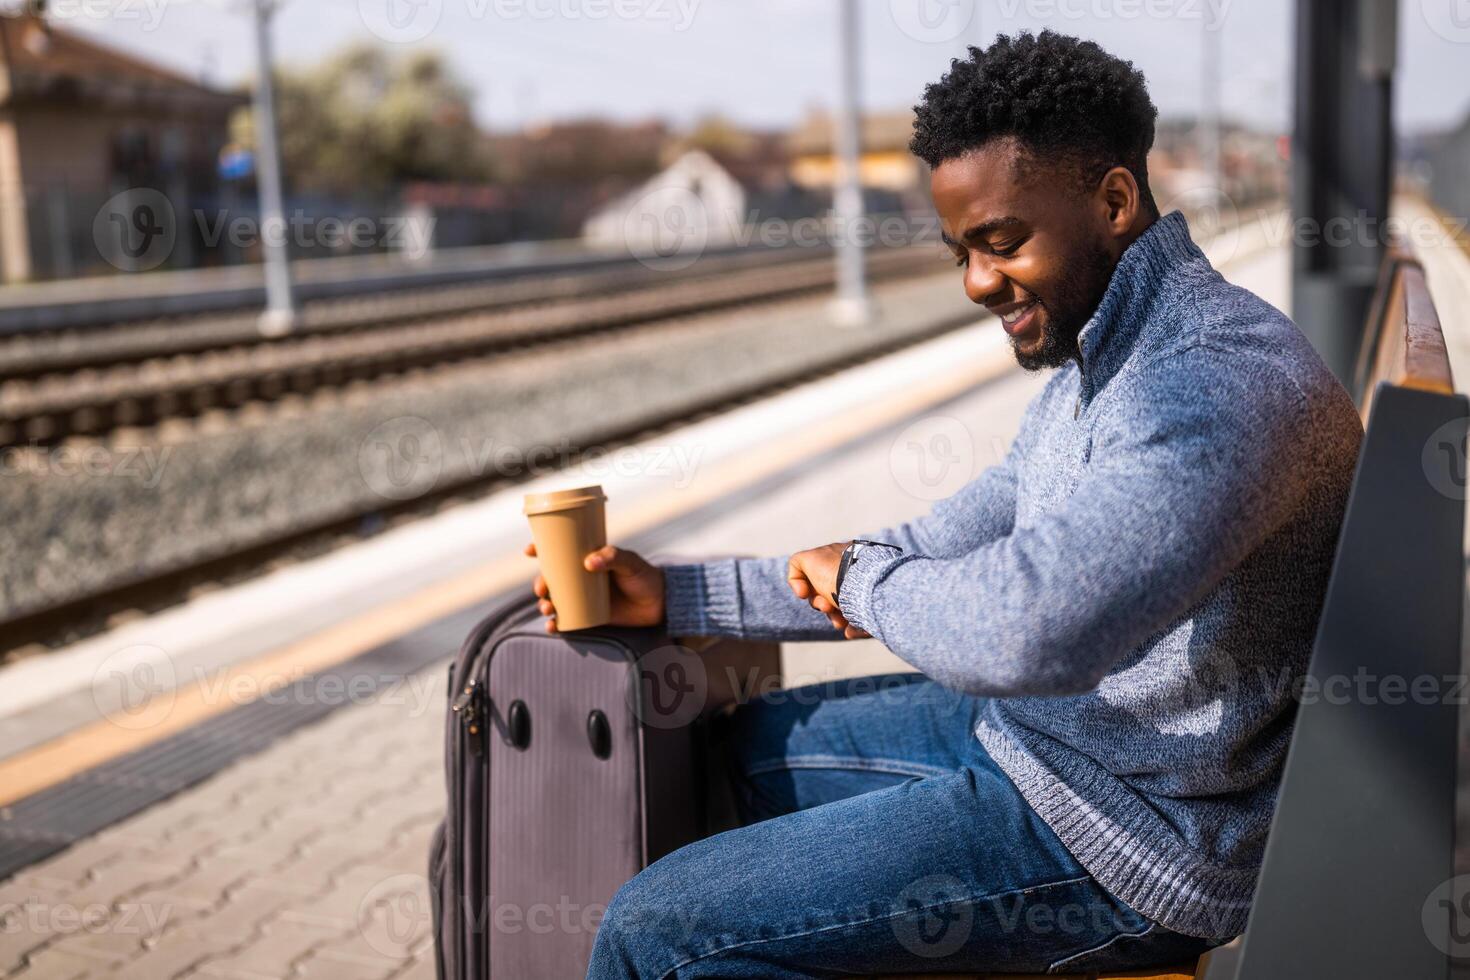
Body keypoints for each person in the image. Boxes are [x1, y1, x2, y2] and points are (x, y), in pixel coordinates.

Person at [529, 30, 1364, 979]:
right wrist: (682, 598)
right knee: (734, 751)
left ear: (1116, 200)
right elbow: (943, 539)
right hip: (1048, 742)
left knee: (653, 933)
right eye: (960, 250)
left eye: (1001, 243)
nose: (975, 281)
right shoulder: (1104, 358)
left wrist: (872, 583)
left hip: (1132, 835)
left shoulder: (1211, 385)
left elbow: (1029, 631)